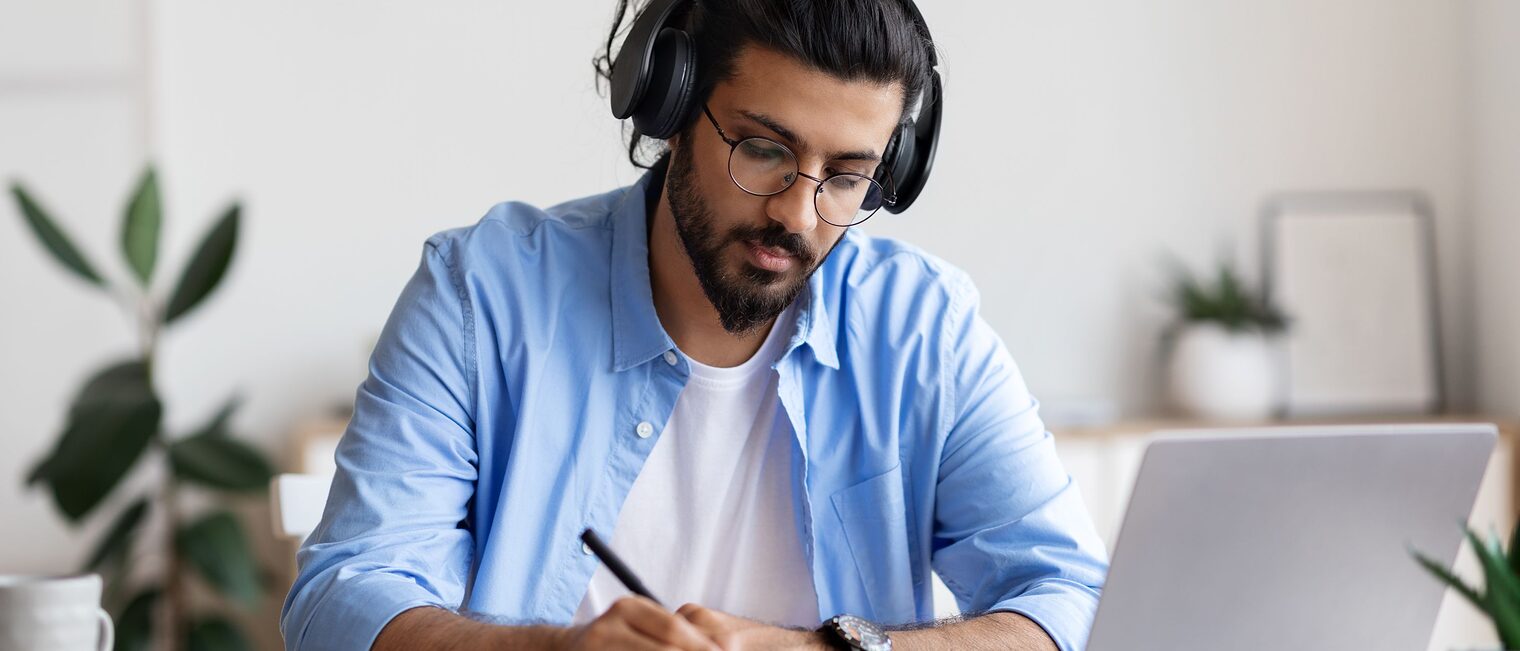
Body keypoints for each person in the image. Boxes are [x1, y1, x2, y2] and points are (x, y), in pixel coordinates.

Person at [280, 1, 1108, 649]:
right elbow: (341, 600)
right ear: (670, 106)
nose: (797, 213)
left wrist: (831, 650)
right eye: (763, 150)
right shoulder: (482, 294)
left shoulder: (925, 329)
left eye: (846, 176)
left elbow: (1070, 594)